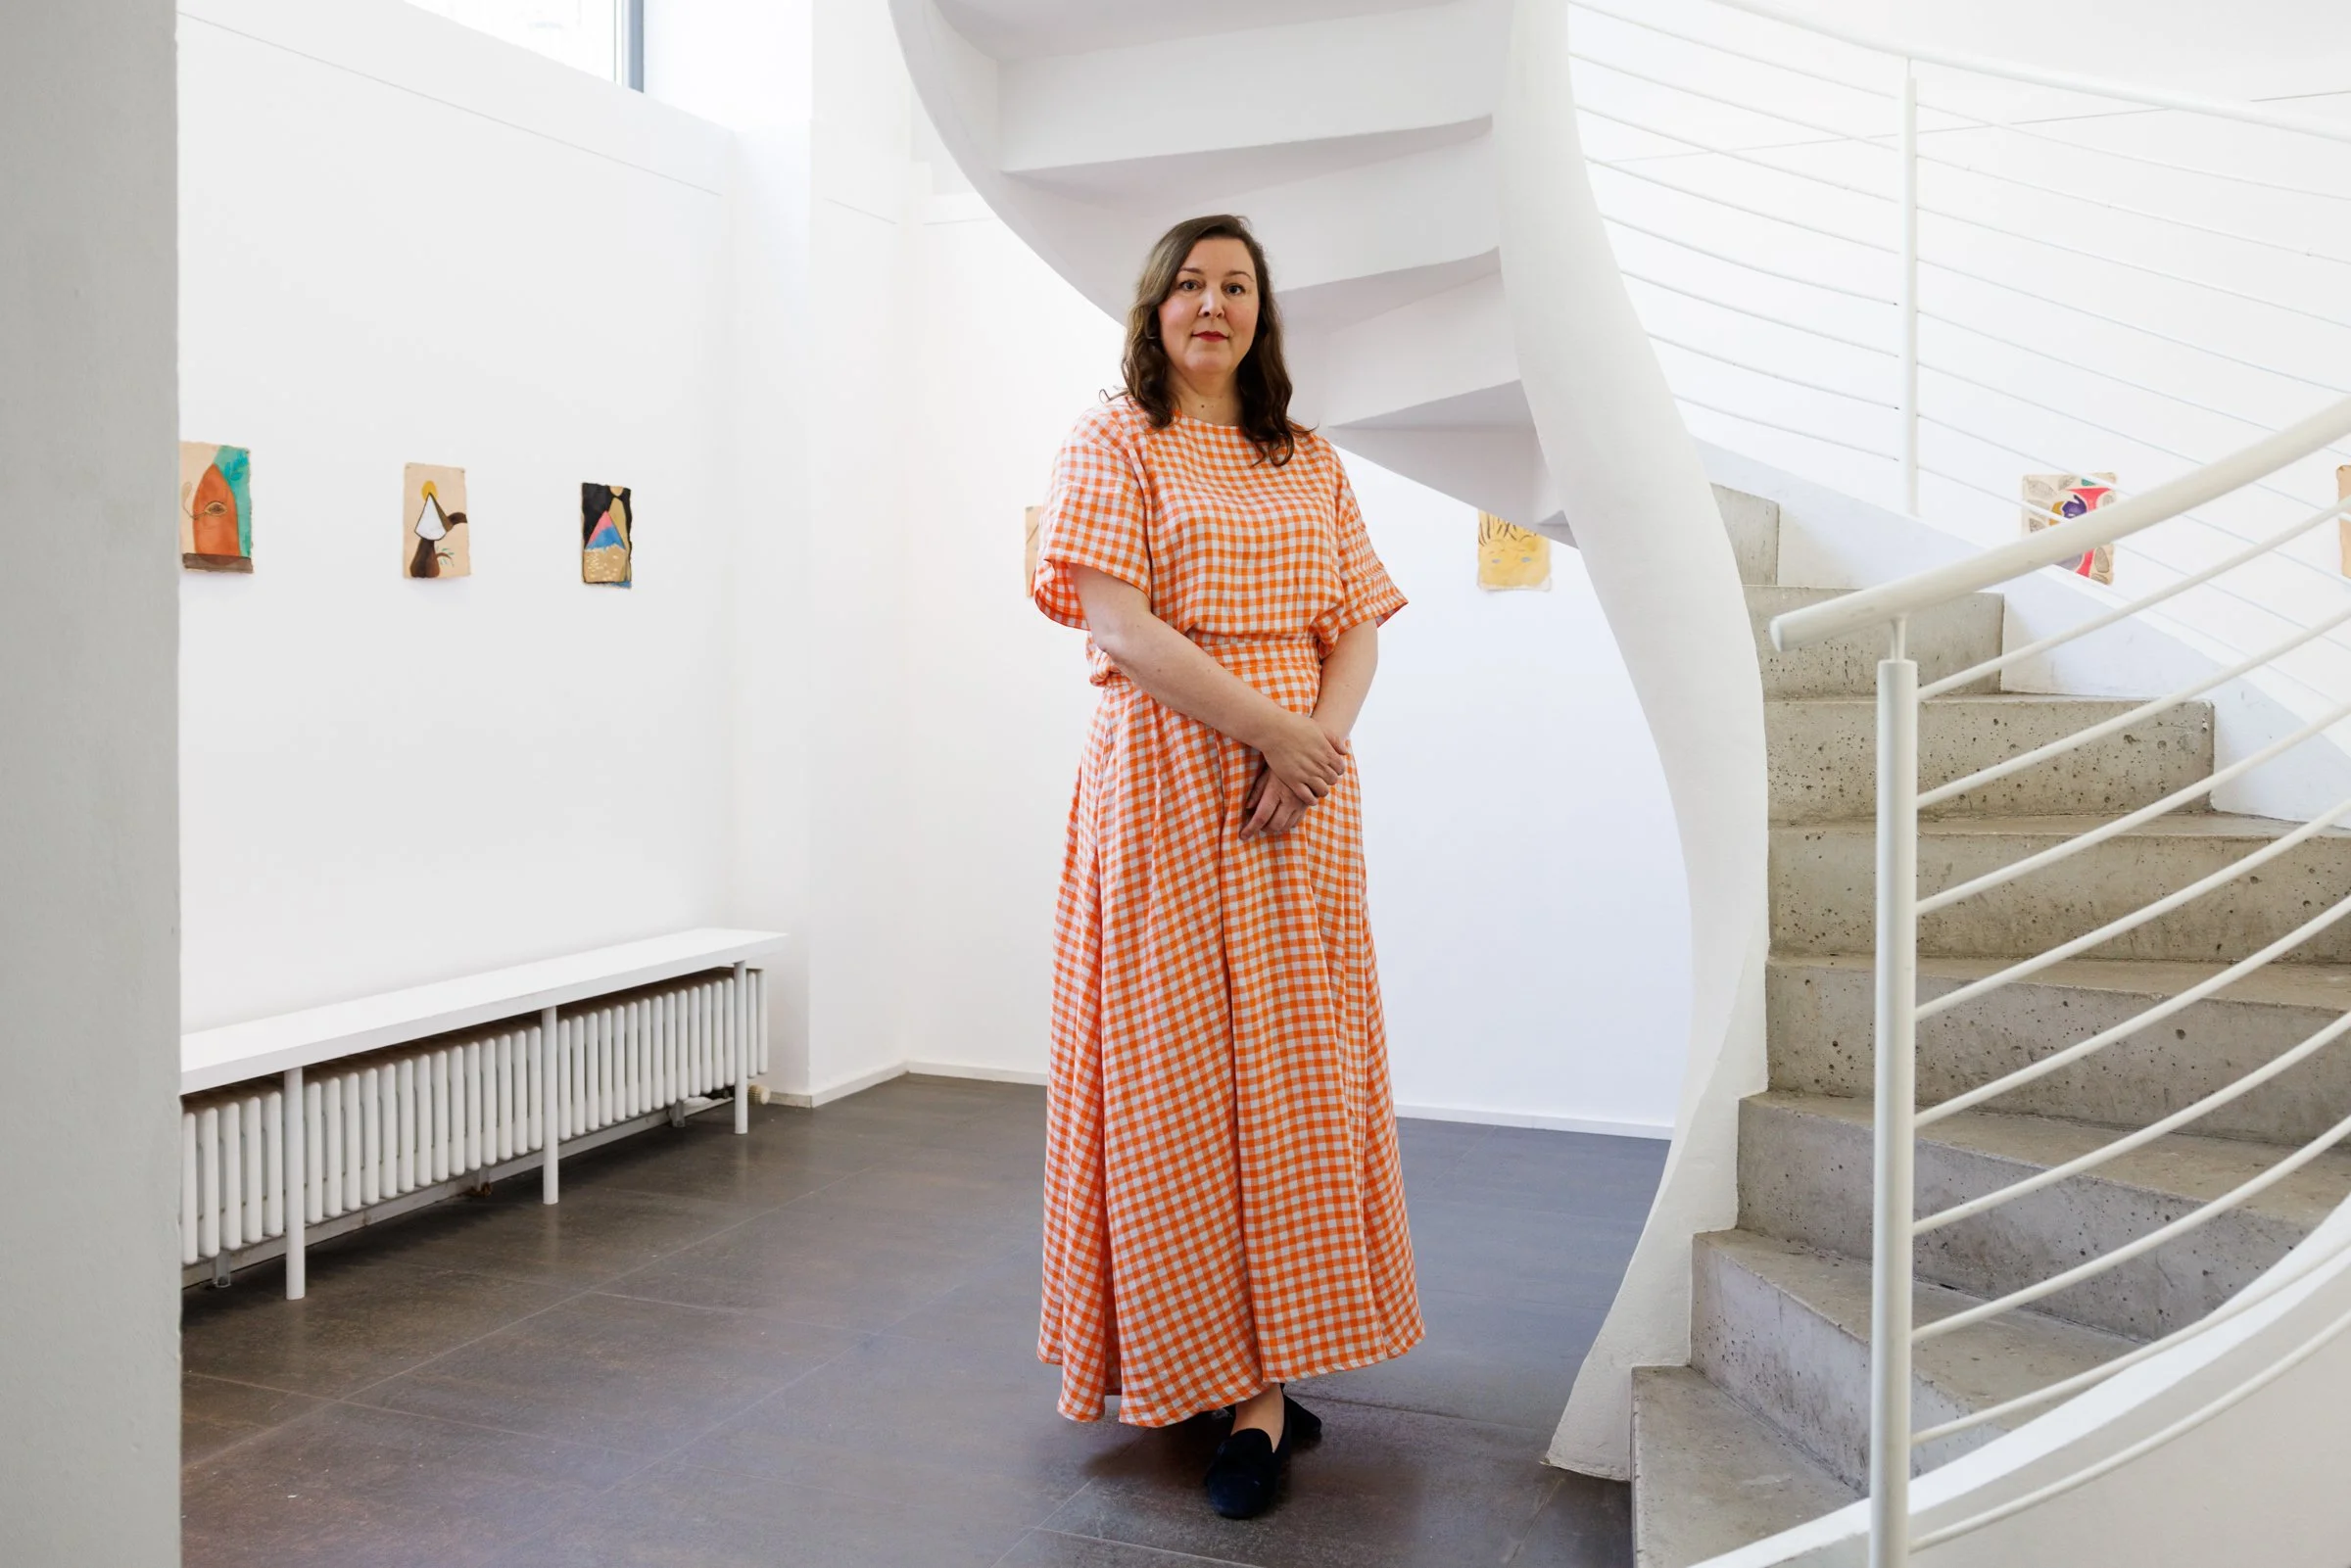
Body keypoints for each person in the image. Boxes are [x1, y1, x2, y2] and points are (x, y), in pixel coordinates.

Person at [1029, 214, 1423, 1520]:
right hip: (1164, 789)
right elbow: (1120, 625)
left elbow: (1355, 629)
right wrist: (1273, 734)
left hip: (1289, 809)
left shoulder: (1305, 459)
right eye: (1191, 285)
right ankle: (1212, 1372)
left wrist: (1313, 749)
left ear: (1262, 314)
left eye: (1237, 286)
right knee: (1175, 1082)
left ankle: (1259, 1381)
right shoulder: (1111, 439)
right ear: (1152, 309)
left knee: (1296, 1082)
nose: (1215, 306)